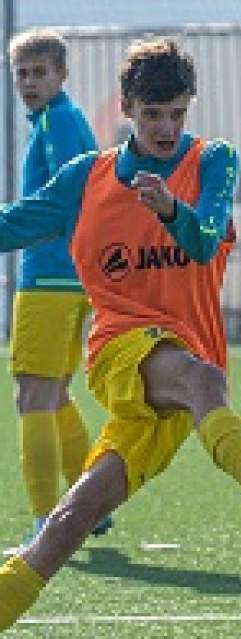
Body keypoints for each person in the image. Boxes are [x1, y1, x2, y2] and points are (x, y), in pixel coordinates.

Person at [0, 37, 241, 632]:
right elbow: (13, 225)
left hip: (177, 382)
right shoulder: (87, 179)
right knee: (204, 378)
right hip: (123, 350)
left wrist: (171, 207)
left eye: (177, 112)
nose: (167, 127)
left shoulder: (213, 161)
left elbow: (202, 241)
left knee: (68, 525)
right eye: (153, 114)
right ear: (126, 108)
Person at [6, 28, 111, 546]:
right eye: (20, 74)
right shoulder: (55, 119)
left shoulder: (61, 121)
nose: (28, 82)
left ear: (61, 75)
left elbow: (66, 199)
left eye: (39, 73)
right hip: (66, 276)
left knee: (31, 394)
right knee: (53, 392)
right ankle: (89, 503)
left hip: (50, 275)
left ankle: (49, 519)